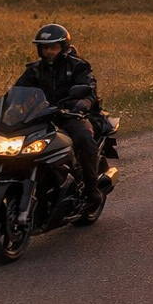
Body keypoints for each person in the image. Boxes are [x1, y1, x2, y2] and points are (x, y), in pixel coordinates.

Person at [14, 23, 104, 214]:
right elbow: (17, 91)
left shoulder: (78, 66)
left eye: (53, 47)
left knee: (84, 138)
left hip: (70, 115)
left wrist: (81, 106)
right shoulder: (34, 70)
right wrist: (1, 105)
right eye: (44, 47)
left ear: (63, 47)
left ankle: (91, 189)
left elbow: (89, 91)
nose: (48, 51)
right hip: (42, 116)